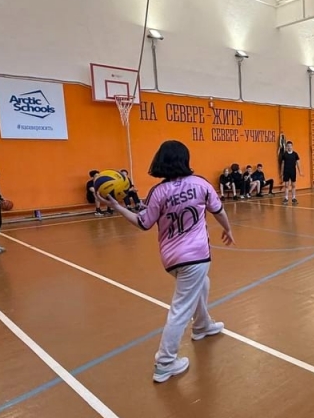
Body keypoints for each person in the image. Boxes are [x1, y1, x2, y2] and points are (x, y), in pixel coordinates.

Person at [97, 140, 234, 383]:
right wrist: (228, 229)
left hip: (171, 258)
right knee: (181, 308)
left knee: (202, 284)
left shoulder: (157, 192)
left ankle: (202, 325)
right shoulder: (200, 183)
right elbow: (219, 210)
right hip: (196, 256)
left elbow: (142, 223)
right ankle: (165, 362)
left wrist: (117, 206)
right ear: (185, 159)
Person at [281, 141, 302, 205]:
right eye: (288, 146)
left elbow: (298, 163)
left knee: (293, 185)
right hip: (286, 171)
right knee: (286, 185)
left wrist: (300, 171)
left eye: (290, 146)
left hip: (293, 171)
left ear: (292, 146)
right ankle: (286, 198)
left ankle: (293, 198)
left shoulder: (295, 154)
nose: (289, 147)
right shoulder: (284, 154)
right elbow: (282, 164)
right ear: (286, 147)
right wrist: (281, 172)